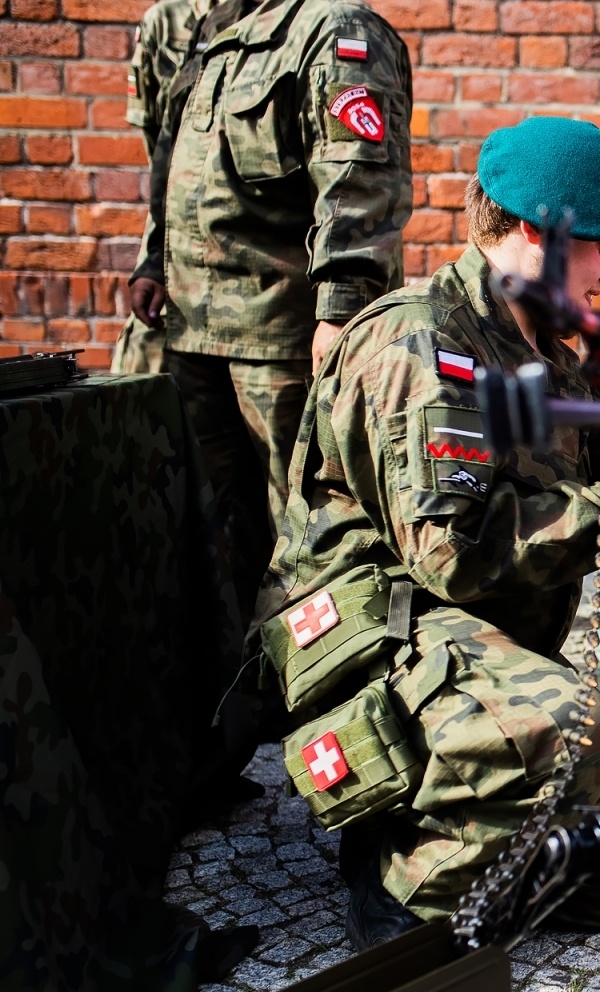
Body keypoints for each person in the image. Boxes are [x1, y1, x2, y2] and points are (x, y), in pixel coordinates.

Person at [253, 117, 600, 946]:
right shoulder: (422, 343)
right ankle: (402, 879)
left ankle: (527, 861)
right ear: (534, 231)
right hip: (376, 635)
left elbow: (572, 500)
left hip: (464, 633)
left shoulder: (536, 348)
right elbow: (454, 554)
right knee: (577, 736)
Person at [127, 0, 413, 615]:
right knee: (213, 534)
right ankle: (229, 685)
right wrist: (154, 261)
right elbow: (173, 160)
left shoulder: (334, 29)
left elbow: (360, 182)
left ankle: (315, 690)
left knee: (311, 533)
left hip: (284, 339)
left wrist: (342, 310)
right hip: (189, 330)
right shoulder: (200, 24)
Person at [109, 0, 216, 375]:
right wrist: (154, 260)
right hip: (176, 245)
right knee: (142, 368)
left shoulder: (304, 20)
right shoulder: (166, 22)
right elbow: (161, 157)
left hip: (271, 262)